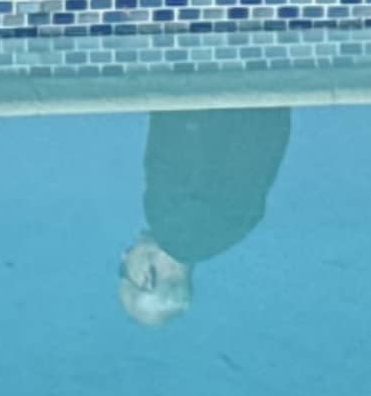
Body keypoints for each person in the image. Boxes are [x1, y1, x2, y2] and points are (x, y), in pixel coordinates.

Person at [118, 107, 292, 325]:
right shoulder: (164, 220)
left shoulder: (236, 231)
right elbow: (173, 127)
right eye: (123, 270)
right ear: (146, 278)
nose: (124, 256)